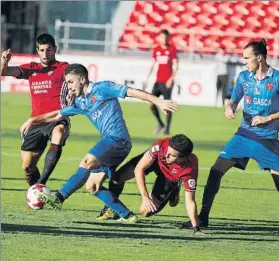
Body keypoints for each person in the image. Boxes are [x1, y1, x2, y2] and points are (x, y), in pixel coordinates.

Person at [20, 63, 178, 222]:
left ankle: (59, 198)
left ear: (82, 79)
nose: (67, 86)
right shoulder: (81, 102)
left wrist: (158, 101)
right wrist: (33, 120)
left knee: (87, 162)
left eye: (70, 82)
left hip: (117, 139)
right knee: (93, 186)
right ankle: (127, 215)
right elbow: (57, 115)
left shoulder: (102, 88)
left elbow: (132, 92)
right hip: (112, 143)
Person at [186, 39, 279, 228]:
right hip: (243, 135)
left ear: (259, 58)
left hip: (267, 139)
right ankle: (203, 218)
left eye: (247, 58)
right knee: (215, 171)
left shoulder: (277, 78)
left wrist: (267, 119)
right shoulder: (244, 77)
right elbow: (233, 99)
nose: (244, 61)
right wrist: (230, 107)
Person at [97, 134, 204, 235]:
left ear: (182, 158)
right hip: (153, 161)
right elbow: (139, 168)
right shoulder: (161, 145)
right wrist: (145, 197)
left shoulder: (189, 170)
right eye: (168, 151)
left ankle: (174, 189)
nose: (166, 155)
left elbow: (190, 201)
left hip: (169, 177)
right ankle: (111, 205)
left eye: (172, 155)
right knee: (117, 178)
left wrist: (196, 229)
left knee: (145, 212)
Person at [1, 33, 71, 186]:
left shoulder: (64, 68)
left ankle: (41, 183)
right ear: (37, 50)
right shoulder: (32, 69)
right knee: (27, 167)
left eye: (49, 50)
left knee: (58, 133)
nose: (46, 54)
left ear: (55, 49)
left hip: (56, 118)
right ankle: (35, 192)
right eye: (42, 50)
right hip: (37, 122)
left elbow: (77, 83)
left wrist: (74, 94)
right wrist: (4, 62)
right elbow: (4, 72)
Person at [143, 29, 178, 135]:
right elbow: (152, 64)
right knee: (150, 102)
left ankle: (167, 128)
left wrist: (171, 79)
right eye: (162, 37)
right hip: (158, 81)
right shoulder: (157, 49)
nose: (163, 39)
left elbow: (176, 65)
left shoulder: (172, 49)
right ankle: (160, 123)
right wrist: (147, 78)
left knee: (168, 105)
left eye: (165, 37)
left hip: (167, 82)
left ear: (168, 38)